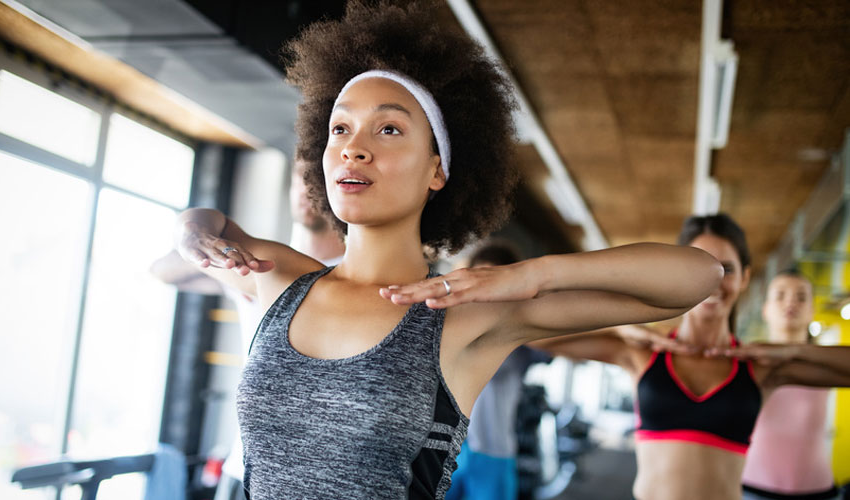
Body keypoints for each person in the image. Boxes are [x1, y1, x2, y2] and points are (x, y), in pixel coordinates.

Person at [173, 2, 723, 498]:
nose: (354, 149)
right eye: (340, 129)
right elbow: (212, 224)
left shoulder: (465, 316)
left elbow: (698, 276)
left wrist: (531, 276)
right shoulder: (279, 278)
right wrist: (189, 226)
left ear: (438, 169)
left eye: (388, 129)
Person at [531, 214, 850, 500]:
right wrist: (622, 330)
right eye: (699, 267)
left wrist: (793, 349)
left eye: (726, 269)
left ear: (745, 278)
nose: (713, 280)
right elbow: (536, 337)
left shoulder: (759, 368)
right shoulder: (642, 352)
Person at [152, 161, 344, 500]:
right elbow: (162, 271)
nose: (305, 188)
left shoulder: (349, 280)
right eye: (299, 175)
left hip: (310, 480)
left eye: (316, 176)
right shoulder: (253, 265)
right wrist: (196, 241)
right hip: (240, 470)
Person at [446, 242, 550, 500]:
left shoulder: (519, 333)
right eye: (478, 279)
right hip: (448, 450)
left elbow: (558, 339)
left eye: (492, 281)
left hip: (492, 453)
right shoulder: (454, 325)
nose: (484, 291)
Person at [741, 270, 842, 500]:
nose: (791, 302)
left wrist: (796, 350)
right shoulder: (747, 361)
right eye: (781, 295)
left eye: (801, 297)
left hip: (819, 491)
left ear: (812, 311)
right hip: (754, 489)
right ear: (765, 309)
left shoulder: (827, 362)